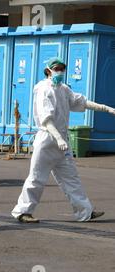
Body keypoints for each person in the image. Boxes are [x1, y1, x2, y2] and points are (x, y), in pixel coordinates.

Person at [12, 57, 115, 223]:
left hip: (62, 142)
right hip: (47, 139)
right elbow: (46, 119)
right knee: (37, 177)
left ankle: (85, 211)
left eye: (62, 68)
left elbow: (80, 102)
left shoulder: (63, 89)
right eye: (56, 68)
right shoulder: (43, 89)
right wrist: (59, 138)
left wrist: (106, 108)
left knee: (71, 178)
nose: (60, 71)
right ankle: (23, 211)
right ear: (48, 70)